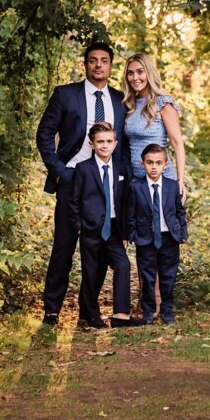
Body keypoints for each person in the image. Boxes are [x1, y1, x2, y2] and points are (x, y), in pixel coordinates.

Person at [35, 41, 130, 326]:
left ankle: (88, 310)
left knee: (98, 251)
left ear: (111, 66)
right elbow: (44, 134)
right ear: (85, 64)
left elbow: (122, 144)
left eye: (104, 60)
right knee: (64, 246)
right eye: (93, 60)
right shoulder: (66, 95)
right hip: (73, 177)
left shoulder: (120, 100)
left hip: (104, 182)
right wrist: (60, 171)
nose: (98, 64)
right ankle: (52, 309)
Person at [69, 122, 143, 328]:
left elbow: (127, 203)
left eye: (109, 141)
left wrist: (126, 233)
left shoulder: (122, 169)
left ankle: (121, 315)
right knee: (91, 271)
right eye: (100, 141)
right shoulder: (83, 169)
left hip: (115, 231)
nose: (104, 145)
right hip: (91, 229)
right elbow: (74, 201)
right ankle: (91, 314)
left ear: (115, 143)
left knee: (123, 265)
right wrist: (79, 226)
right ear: (92, 144)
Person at [128, 143, 188, 325]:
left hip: (169, 237)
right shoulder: (135, 187)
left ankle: (167, 311)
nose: (154, 167)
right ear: (142, 163)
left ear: (165, 165)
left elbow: (180, 212)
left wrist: (182, 232)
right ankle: (148, 311)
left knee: (168, 275)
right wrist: (133, 235)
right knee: (147, 277)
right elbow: (130, 214)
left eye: (158, 163)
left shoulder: (172, 186)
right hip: (145, 239)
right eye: (150, 162)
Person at [122, 53, 186, 202]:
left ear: (149, 73)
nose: (135, 77)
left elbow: (177, 143)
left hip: (161, 179)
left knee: (163, 224)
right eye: (130, 73)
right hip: (137, 181)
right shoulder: (131, 104)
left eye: (140, 71)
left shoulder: (163, 103)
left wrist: (180, 180)